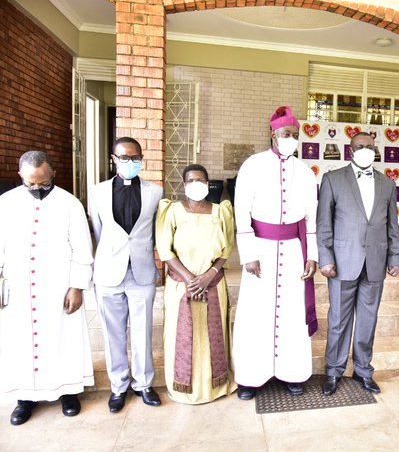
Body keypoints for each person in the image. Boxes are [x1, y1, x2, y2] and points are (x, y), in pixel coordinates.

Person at [0, 151, 94, 425]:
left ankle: (69, 393)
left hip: (59, 286)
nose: (37, 188)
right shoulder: (6, 203)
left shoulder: (69, 203)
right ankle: (24, 398)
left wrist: (77, 286)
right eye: (31, 183)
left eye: (43, 182)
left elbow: (82, 248)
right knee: (21, 341)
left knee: (64, 338)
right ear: (21, 175)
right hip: (19, 287)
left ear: (52, 173)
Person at [232, 106, 318, 400]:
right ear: (273, 134)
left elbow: (312, 218)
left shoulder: (305, 172)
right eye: (285, 134)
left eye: (294, 134)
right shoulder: (252, 165)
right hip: (261, 250)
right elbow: (241, 211)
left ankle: (292, 373)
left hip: (294, 251)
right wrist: (248, 253)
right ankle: (250, 378)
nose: (290, 138)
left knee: (292, 313)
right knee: (255, 313)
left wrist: (312, 255)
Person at [317, 131, 399, 396]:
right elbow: (323, 223)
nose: (366, 150)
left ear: (375, 150)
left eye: (370, 147)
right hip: (342, 262)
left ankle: (363, 370)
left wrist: (395, 257)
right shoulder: (333, 179)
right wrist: (326, 258)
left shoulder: (387, 184)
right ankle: (334, 370)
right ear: (350, 150)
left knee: (368, 320)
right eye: (360, 146)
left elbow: (392, 226)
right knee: (338, 320)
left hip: (375, 261)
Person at [89, 137, 163, 412]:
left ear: (142, 159)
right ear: (114, 159)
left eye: (135, 158)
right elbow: (99, 231)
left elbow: (155, 231)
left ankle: (144, 384)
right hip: (109, 272)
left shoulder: (155, 192)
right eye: (124, 158)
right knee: (113, 334)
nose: (130, 162)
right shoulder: (97, 192)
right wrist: (112, 255)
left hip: (141, 271)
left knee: (143, 332)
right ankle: (118, 386)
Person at [156, 164, 236, 403]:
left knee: (212, 336)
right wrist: (191, 279)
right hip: (182, 286)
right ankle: (183, 388)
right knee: (182, 336)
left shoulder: (221, 212)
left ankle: (215, 386)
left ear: (208, 183)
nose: (195, 184)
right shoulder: (172, 211)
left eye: (200, 180)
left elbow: (227, 249)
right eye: (190, 181)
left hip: (213, 284)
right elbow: (165, 250)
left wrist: (209, 275)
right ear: (184, 184)